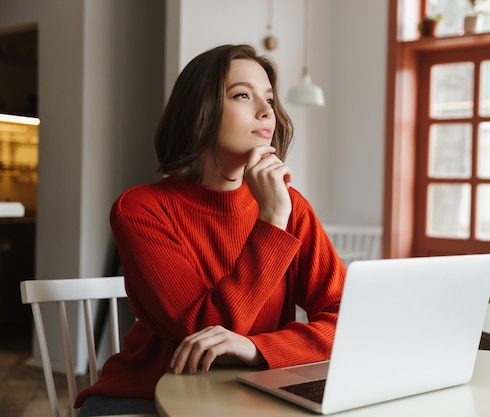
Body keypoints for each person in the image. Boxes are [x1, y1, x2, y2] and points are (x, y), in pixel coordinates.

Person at [75, 44, 345, 416]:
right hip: (144, 396)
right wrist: (271, 222)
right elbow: (204, 333)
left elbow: (347, 319)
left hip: (251, 391)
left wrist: (257, 349)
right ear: (199, 111)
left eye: (269, 98)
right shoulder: (140, 210)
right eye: (242, 95)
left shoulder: (289, 206)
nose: (267, 111)